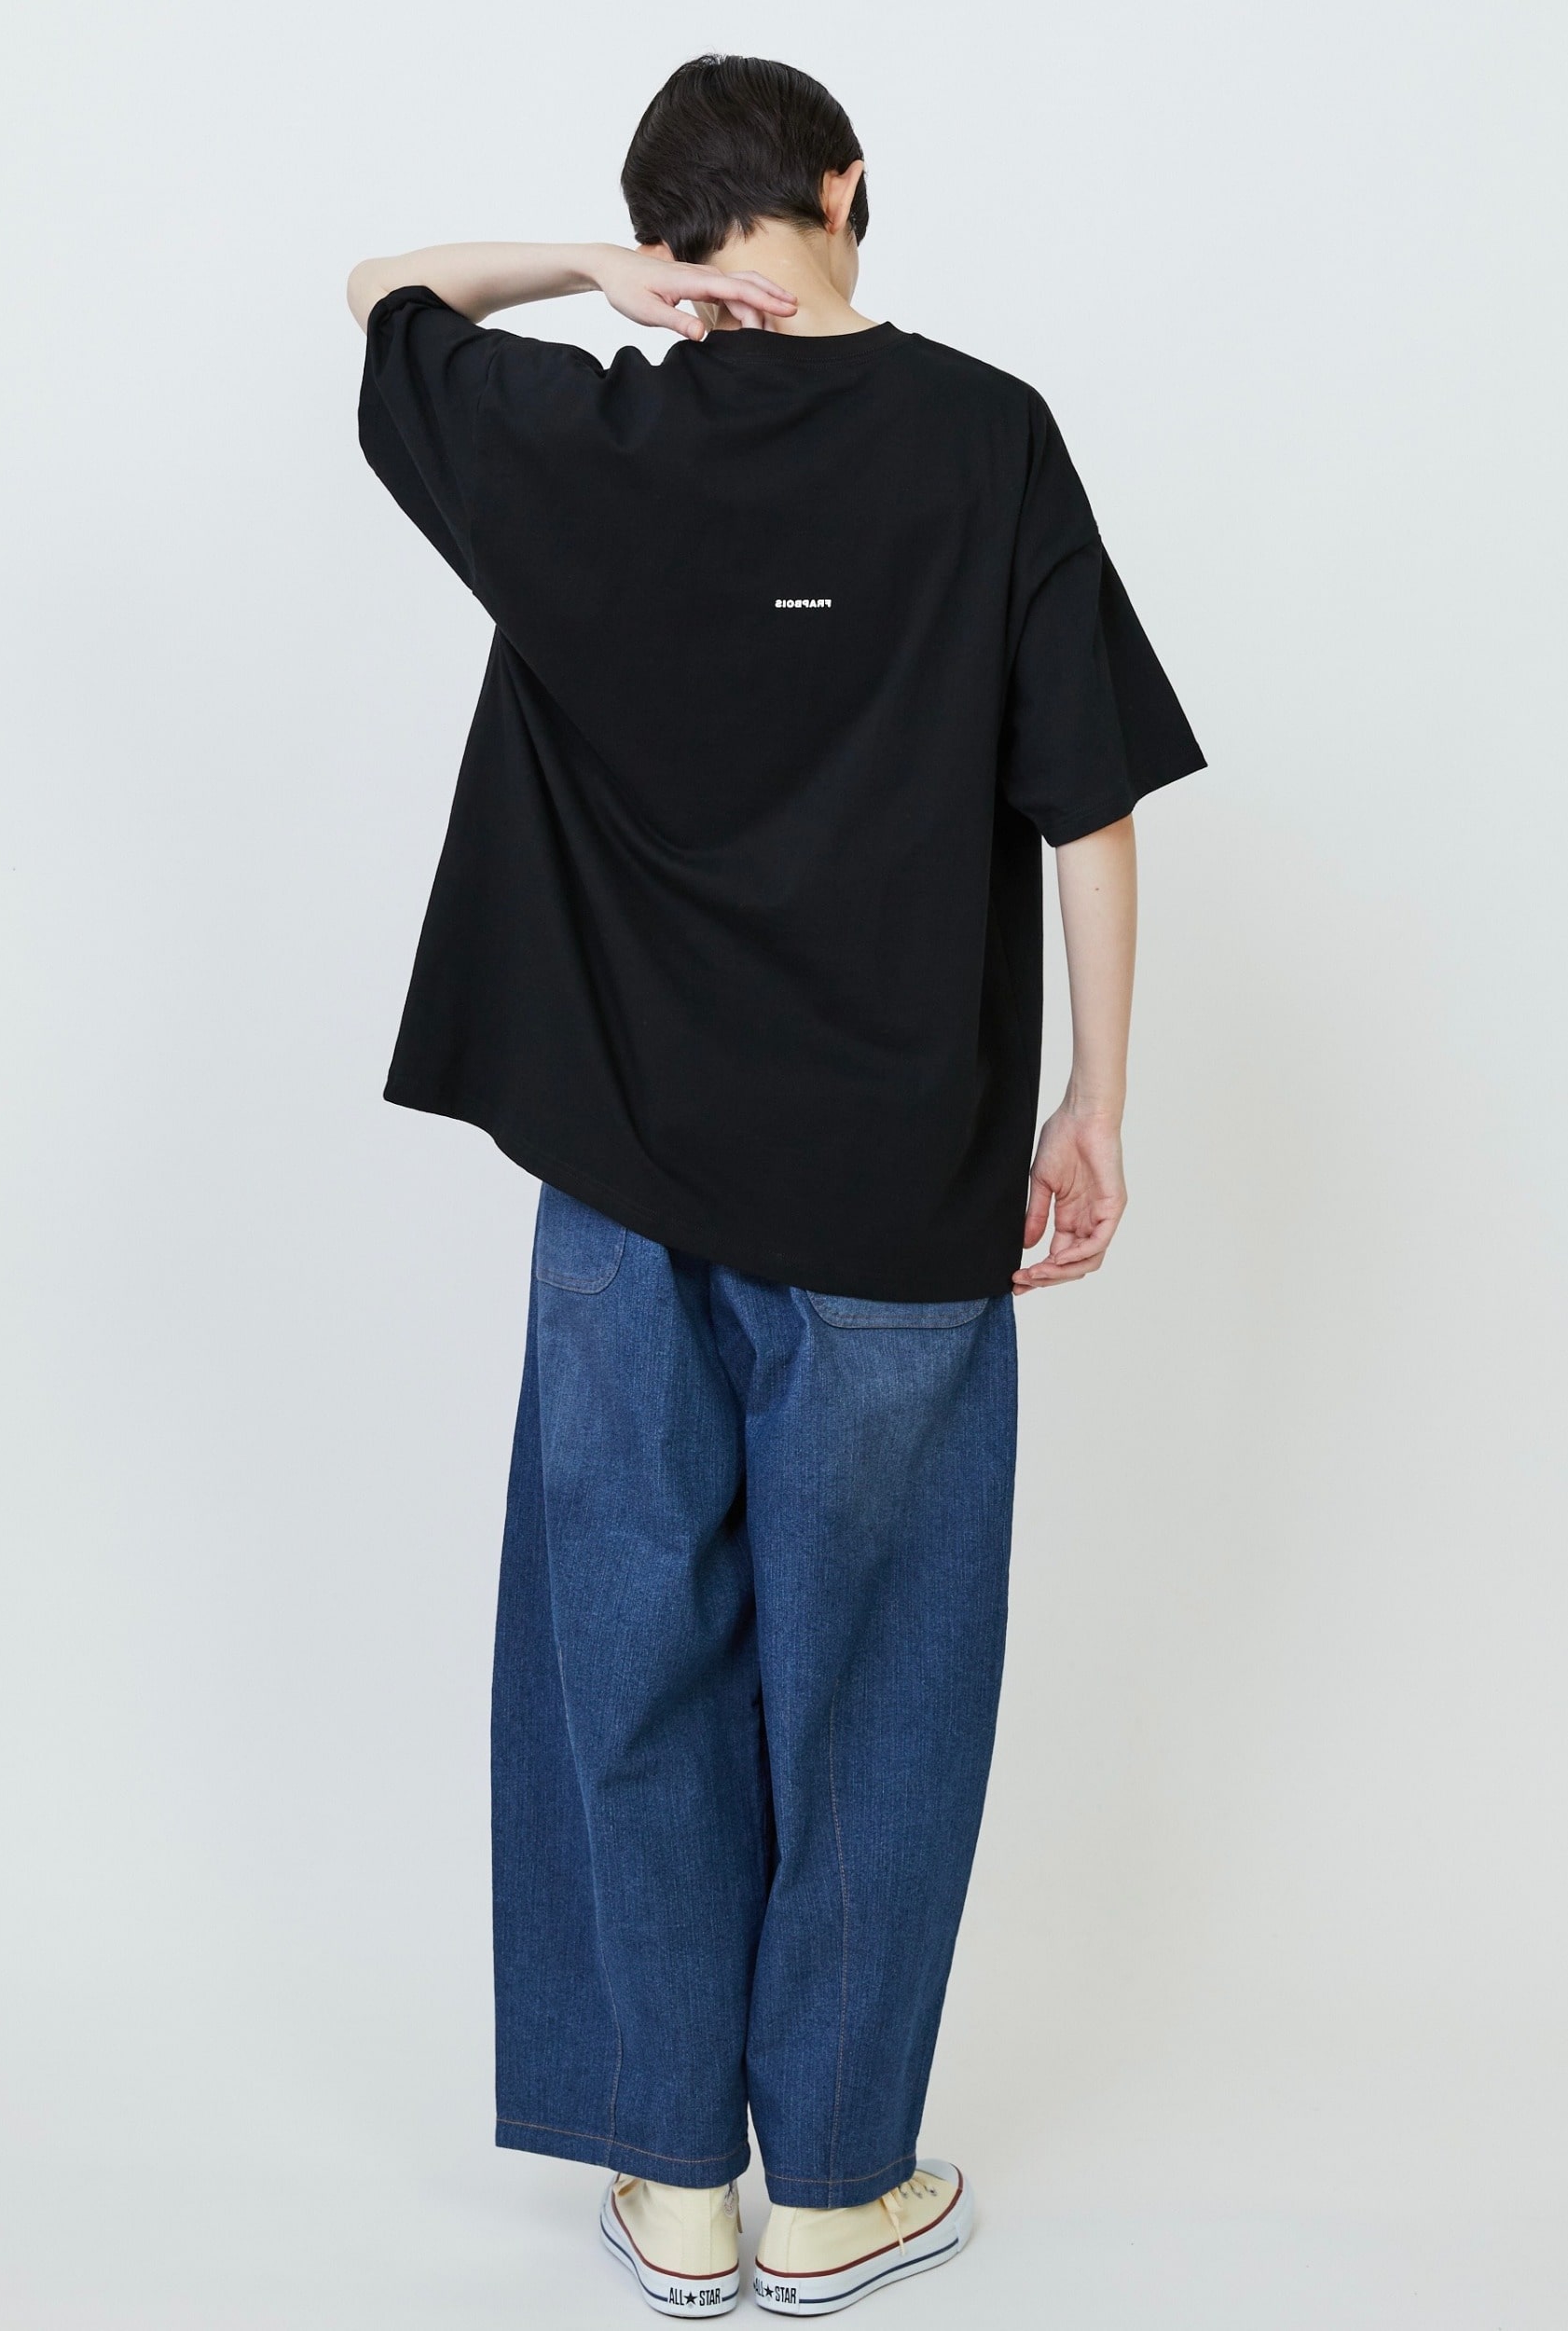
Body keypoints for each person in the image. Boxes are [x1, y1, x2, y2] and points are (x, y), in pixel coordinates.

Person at [347, 51, 1203, 2320]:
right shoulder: (984, 438)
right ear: (845, 186)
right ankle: (830, 2185)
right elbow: (1087, 796)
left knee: (629, 1655)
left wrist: (581, 276)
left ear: (669, 237)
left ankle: (673, 2184)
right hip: (898, 1182)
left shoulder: (582, 439)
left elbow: (380, 296)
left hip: (621, 1179)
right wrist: (1095, 1097)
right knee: (879, 1683)